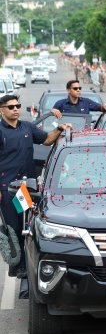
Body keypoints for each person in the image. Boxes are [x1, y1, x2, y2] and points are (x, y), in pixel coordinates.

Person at [0, 95, 71, 298]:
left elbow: (47, 140)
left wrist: (59, 129)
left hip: (26, 189)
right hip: (7, 189)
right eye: (11, 107)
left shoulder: (27, 127)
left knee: (26, 228)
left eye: (18, 106)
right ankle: (19, 268)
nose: (16, 109)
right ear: (1, 110)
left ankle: (26, 273)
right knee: (13, 228)